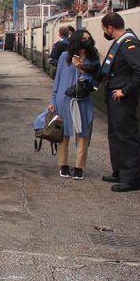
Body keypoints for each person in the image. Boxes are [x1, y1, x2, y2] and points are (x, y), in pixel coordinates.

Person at [98, 13, 140, 192]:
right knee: (115, 134)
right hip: (114, 97)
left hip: (123, 98)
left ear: (109, 27)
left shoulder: (129, 43)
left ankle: (131, 179)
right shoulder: (120, 42)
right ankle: (119, 171)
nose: (104, 32)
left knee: (127, 136)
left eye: (104, 29)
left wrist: (125, 90)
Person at [48, 30, 100, 180]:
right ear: (77, 41)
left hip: (83, 100)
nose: (87, 40)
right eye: (84, 38)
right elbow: (57, 80)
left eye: (89, 38)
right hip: (63, 100)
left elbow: (95, 79)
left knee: (83, 133)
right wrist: (52, 100)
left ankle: (79, 167)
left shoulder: (93, 59)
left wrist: (81, 67)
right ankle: (63, 165)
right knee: (63, 134)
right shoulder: (65, 57)